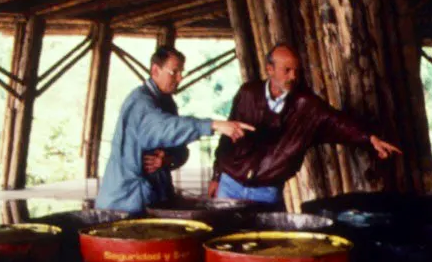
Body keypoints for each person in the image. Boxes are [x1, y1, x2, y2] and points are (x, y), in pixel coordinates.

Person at [208, 43, 401, 207]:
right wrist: (217, 175)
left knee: (264, 246)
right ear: (270, 69)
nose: (293, 76)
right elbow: (227, 137)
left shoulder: (307, 106)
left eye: (296, 71)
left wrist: (370, 138)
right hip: (229, 183)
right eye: (287, 70)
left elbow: (338, 123)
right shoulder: (248, 93)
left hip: (267, 190)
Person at [96, 46, 254, 213]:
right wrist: (213, 125)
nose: (179, 78)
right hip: (125, 202)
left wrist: (167, 159)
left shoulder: (167, 103)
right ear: (155, 70)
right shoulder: (140, 103)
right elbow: (165, 128)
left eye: (181, 72)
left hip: (153, 197)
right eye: (174, 72)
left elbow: (181, 151)